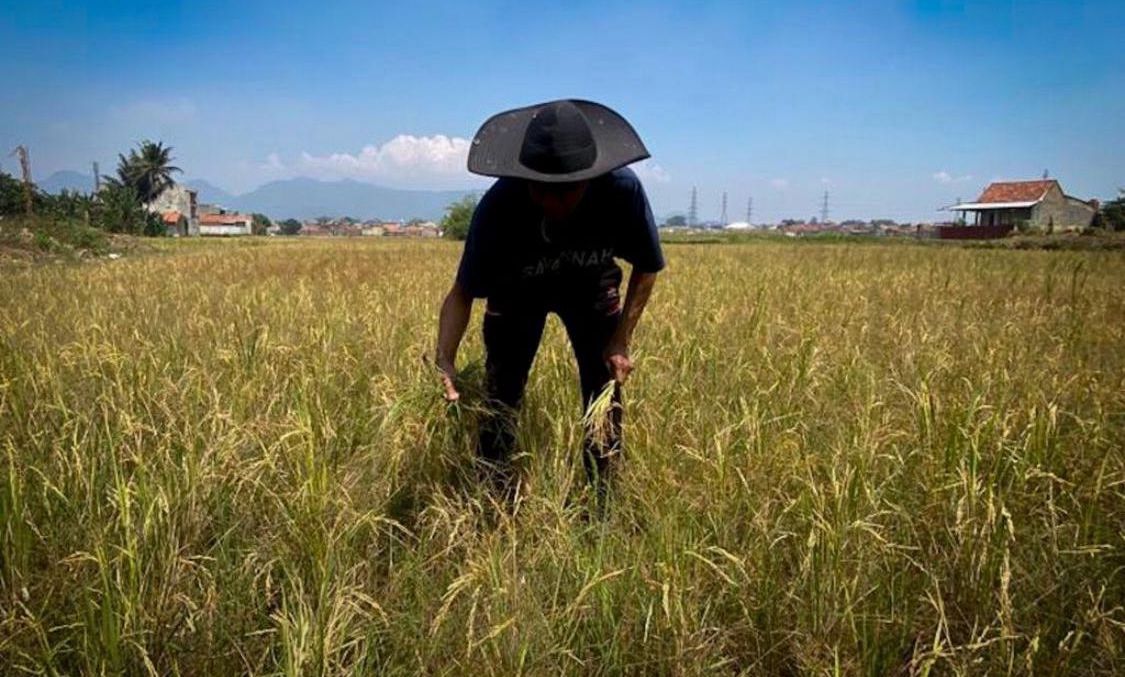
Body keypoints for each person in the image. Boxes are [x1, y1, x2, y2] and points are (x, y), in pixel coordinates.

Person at [433, 99, 665, 499]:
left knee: (604, 394)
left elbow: (647, 266)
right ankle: (492, 497)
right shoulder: (499, 205)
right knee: (500, 394)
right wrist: (445, 360)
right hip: (518, 290)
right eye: (543, 191)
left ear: (590, 177)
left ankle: (602, 500)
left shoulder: (621, 190)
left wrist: (621, 339)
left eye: (568, 192)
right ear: (526, 178)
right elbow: (463, 291)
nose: (555, 203)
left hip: (590, 288)